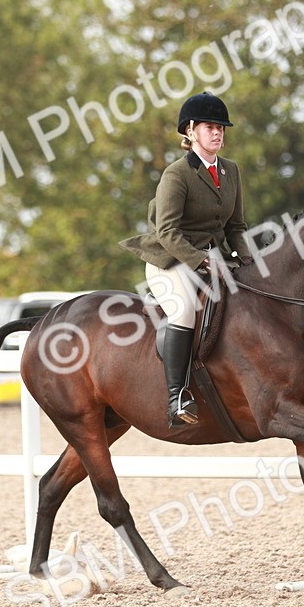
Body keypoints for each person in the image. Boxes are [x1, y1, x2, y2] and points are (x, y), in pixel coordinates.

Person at [119, 91, 253, 427]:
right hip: (171, 260)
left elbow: (236, 226)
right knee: (183, 311)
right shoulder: (177, 174)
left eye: (221, 127)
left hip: (215, 258)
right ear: (190, 132)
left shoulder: (232, 171)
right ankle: (177, 396)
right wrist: (201, 261)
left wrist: (250, 262)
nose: (218, 133)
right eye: (210, 127)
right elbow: (167, 231)